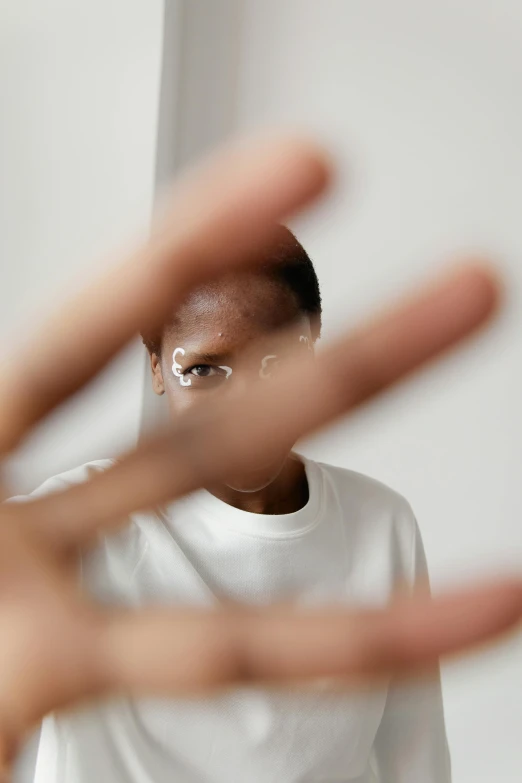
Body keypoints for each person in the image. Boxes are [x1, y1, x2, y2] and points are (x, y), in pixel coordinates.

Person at [1, 136, 521, 781]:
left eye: (276, 365)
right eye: (205, 371)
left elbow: (416, 760)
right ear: (158, 370)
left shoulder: (380, 520)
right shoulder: (53, 545)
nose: (244, 413)